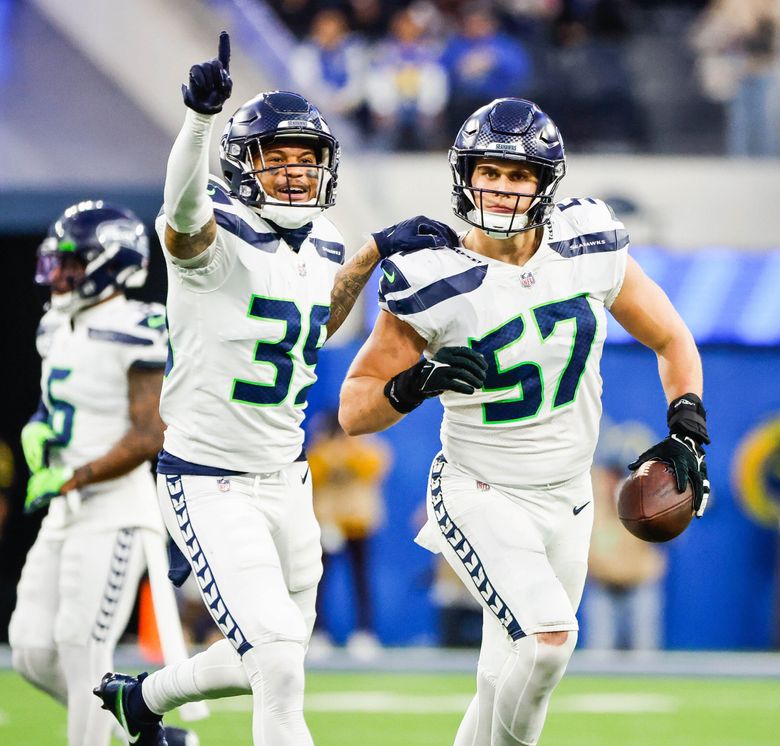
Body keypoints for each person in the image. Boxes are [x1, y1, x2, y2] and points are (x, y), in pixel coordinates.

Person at [93, 32, 448, 746]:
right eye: (276, 157)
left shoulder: (321, 241)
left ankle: (143, 702)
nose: (293, 172)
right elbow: (182, 207)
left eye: (306, 158)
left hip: (287, 480)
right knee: (281, 662)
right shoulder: (214, 232)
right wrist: (198, 119)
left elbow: (313, 320)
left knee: (276, 652)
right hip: (210, 478)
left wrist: (373, 250)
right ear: (241, 164)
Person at [339, 97, 711, 745]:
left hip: (568, 499)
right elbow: (354, 408)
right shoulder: (433, 274)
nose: (504, 188)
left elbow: (673, 339)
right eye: (491, 171)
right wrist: (414, 383)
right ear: (465, 175)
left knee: (503, 672)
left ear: (546, 183)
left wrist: (685, 423)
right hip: (480, 490)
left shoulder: (587, 241)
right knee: (547, 642)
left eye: (520, 175)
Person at [8, 201, 196, 746]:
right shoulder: (54, 324)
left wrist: (76, 475)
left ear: (109, 263)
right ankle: (145, 731)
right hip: (65, 508)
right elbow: (59, 402)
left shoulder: (136, 325)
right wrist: (39, 428)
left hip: (115, 508)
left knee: (79, 645)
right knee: (31, 650)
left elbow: (149, 433)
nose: (60, 273)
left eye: (73, 261)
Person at [307, 410, 390, 655]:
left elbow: (373, 468)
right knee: (319, 582)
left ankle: (364, 633)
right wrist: (329, 450)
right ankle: (318, 633)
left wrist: (349, 450)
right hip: (327, 523)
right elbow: (313, 474)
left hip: (358, 522)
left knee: (361, 580)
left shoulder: (365, 447)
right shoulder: (321, 450)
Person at [584, 419, 667, 651]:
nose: (616, 480)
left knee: (645, 657)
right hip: (602, 587)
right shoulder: (591, 498)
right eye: (612, 473)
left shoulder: (641, 499)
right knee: (598, 657)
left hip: (640, 587)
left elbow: (666, 535)